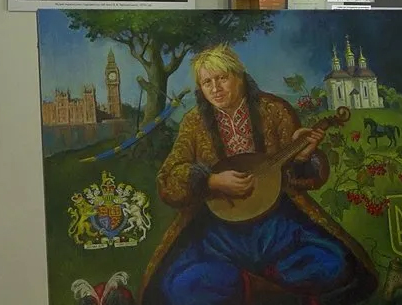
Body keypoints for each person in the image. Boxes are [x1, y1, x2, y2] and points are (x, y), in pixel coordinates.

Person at [139, 44, 377, 305]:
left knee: (334, 263)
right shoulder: (194, 122)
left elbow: (304, 177)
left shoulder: (274, 110)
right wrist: (211, 180)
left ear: (239, 76)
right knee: (180, 286)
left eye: (222, 78)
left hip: (278, 224)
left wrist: (302, 157)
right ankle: (265, 287)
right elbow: (168, 180)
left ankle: (258, 284)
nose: (215, 88)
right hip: (218, 231)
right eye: (207, 82)